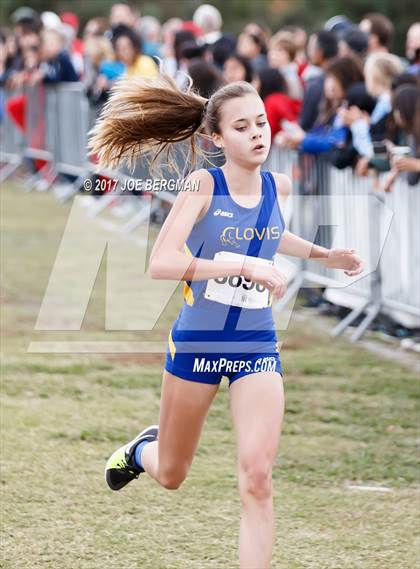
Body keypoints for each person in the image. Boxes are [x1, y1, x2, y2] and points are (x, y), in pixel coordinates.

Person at [88, 72, 364, 569]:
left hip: (256, 345)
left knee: (257, 477)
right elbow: (162, 262)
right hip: (197, 342)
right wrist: (241, 265)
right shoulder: (202, 186)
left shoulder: (277, 186)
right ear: (217, 137)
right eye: (242, 126)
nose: (258, 133)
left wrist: (326, 255)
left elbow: (269, 233)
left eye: (261, 122)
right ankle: (140, 451)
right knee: (171, 473)